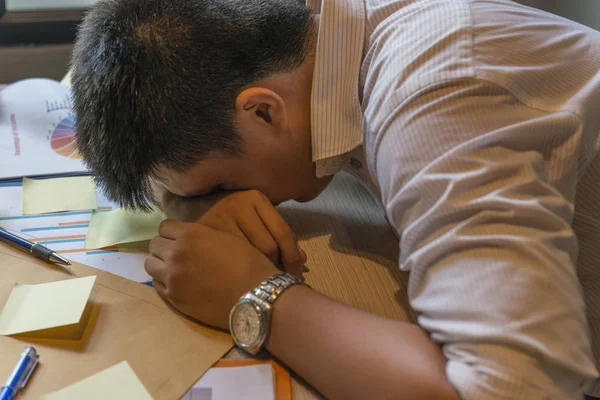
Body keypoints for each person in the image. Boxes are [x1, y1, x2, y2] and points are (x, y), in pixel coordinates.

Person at [71, 0, 600, 398]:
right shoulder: (313, 39)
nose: (216, 205)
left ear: (262, 112)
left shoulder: (432, 97)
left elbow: (514, 388)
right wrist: (193, 202)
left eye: (218, 186)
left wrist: (256, 295)